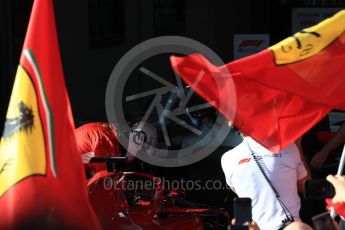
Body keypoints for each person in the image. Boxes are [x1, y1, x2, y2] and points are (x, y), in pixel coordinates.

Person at [221, 132, 310, 230]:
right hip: (292, 227)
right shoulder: (289, 147)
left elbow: (238, 191)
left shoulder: (227, 158)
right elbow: (306, 187)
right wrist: (298, 146)